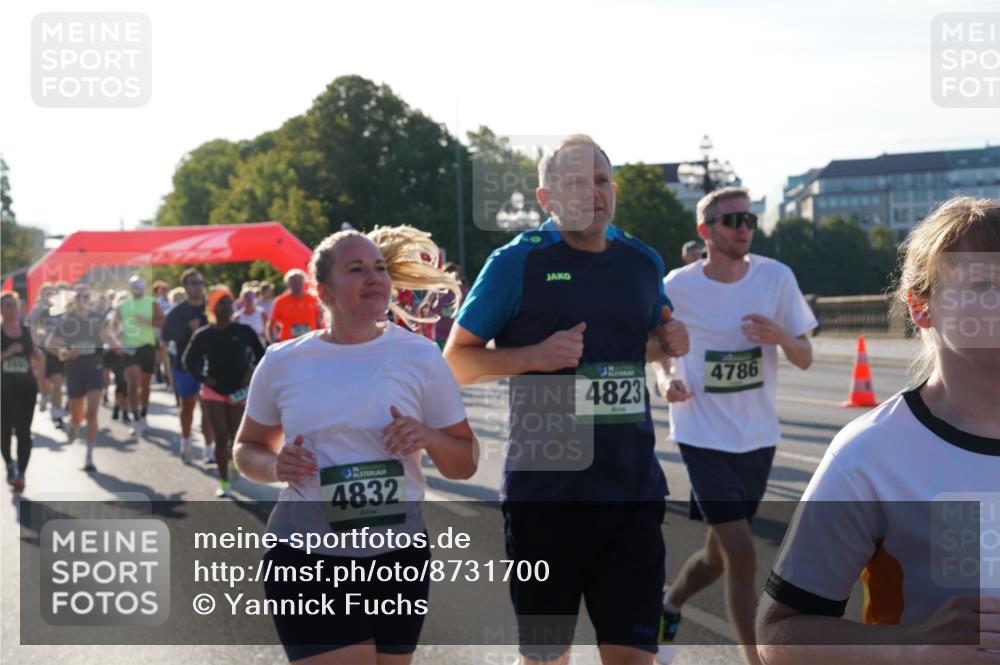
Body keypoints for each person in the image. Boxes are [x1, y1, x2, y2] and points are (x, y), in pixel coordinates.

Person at [444, 134, 690, 665]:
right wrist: (533, 355)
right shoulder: (518, 262)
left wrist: (668, 344)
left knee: (635, 657)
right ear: (547, 197)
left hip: (631, 493)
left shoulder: (641, 261)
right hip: (547, 498)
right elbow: (456, 362)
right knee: (546, 657)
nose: (593, 193)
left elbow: (644, 343)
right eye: (576, 182)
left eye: (601, 181)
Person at [756, 196, 1000, 663]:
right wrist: (913, 644)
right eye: (985, 284)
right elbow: (777, 634)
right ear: (921, 307)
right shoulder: (871, 454)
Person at [233, 225, 477, 664]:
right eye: (357, 269)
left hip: (399, 557)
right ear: (323, 290)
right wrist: (275, 466)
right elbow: (247, 449)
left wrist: (429, 436)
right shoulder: (282, 362)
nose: (374, 277)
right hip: (307, 555)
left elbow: (465, 463)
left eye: (379, 268)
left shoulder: (420, 357)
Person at [649, 187, 815, 665]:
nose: (744, 228)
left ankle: (669, 603)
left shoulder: (775, 277)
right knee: (743, 556)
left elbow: (805, 357)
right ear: (705, 231)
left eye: (750, 220)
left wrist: (780, 336)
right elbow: (658, 349)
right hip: (701, 435)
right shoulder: (677, 286)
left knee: (717, 559)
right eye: (733, 220)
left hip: (757, 438)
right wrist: (666, 381)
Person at [183, 287, 265, 494]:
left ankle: (233, 462)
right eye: (222, 302)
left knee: (235, 437)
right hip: (214, 392)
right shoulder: (204, 334)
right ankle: (223, 482)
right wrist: (203, 378)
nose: (227, 306)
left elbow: (263, 355)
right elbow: (188, 360)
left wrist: (251, 371)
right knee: (220, 437)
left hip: (239, 391)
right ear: (212, 307)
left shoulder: (244, 331)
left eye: (229, 302)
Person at [45, 283, 118, 472]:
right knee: (77, 414)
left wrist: (117, 344)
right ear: (75, 299)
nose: (84, 300)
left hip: (94, 365)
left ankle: (89, 456)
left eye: (87, 297)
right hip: (75, 369)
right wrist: (65, 354)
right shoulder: (67, 320)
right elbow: (50, 344)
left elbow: (107, 336)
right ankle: (74, 424)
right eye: (80, 297)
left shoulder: (97, 317)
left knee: (92, 412)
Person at [161, 269, 214, 463]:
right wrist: (187, 329)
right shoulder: (178, 312)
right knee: (187, 407)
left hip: (207, 365)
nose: (198, 286)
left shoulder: (210, 308)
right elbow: (166, 335)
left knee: (207, 408)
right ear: (186, 287)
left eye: (200, 282)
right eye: (193, 283)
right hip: (184, 366)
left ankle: (209, 449)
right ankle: (186, 444)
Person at [116, 275, 164, 435]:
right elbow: (115, 326)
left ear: (144, 288)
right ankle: (135, 418)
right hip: (130, 348)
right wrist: (117, 336)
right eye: (134, 287)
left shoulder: (152, 303)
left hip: (147, 347)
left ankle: (143, 414)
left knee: (145, 385)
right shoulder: (123, 305)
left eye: (139, 287)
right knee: (132, 383)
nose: (137, 289)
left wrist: (148, 322)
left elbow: (162, 322)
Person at [2, 291, 37, 492]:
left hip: (26, 389)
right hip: (4, 390)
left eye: (14, 305)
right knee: (4, 431)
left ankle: (21, 474)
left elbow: (34, 354)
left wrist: (39, 357)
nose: (12, 309)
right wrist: (8, 353)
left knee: (24, 432)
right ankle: (9, 463)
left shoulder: (25, 330)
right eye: (7, 305)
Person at [269, 269, 321, 342]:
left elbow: (318, 321)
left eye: (299, 282)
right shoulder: (280, 301)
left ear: (304, 282)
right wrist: (273, 341)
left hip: (310, 341)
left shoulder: (313, 299)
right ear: (288, 284)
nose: (297, 285)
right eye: (294, 282)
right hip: (288, 342)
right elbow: (271, 324)